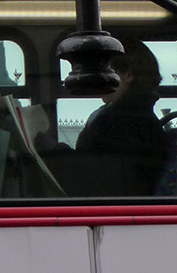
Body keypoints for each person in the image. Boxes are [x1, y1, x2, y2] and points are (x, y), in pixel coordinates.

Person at [71, 37, 168, 196]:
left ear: (128, 74)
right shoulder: (132, 116)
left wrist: (52, 152)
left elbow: (95, 175)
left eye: (106, 72)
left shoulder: (126, 122)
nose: (99, 80)